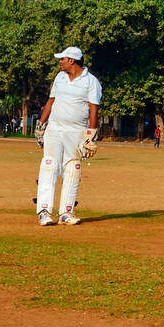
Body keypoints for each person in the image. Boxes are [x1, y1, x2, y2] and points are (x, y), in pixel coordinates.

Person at [35, 46, 102, 226]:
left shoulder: (91, 82)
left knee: (73, 169)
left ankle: (66, 212)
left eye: (62, 59)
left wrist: (90, 136)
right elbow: (51, 101)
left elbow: (93, 110)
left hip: (76, 131)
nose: (60, 62)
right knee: (49, 166)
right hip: (55, 129)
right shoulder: (60, 77)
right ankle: (44, 211)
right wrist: (41, 125)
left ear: (71, 60)